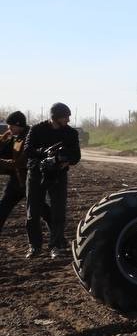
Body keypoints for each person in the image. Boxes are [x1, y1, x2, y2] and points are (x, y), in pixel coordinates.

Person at [24, 102, 81, 259]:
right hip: (36, 174)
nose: (68, 120)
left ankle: (55, 246)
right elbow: (27, 150)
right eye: (65, 117)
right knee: (32, 213)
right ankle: (34, 246)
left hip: (58, 176)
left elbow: (77, 155)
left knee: (58, 212)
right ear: (56, 117)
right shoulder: (36, 129)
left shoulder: (71, 133)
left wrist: (66, 161)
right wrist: (44, 154)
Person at [0, 111, 29, 235]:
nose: (9, 128)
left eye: (11, 126)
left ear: (19, 125)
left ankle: (58, 239)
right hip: (16, 181)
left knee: (43, 212)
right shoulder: (14, 137)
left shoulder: (29, 138)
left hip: (30, 182)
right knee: (2, 208)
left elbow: (19, 162)